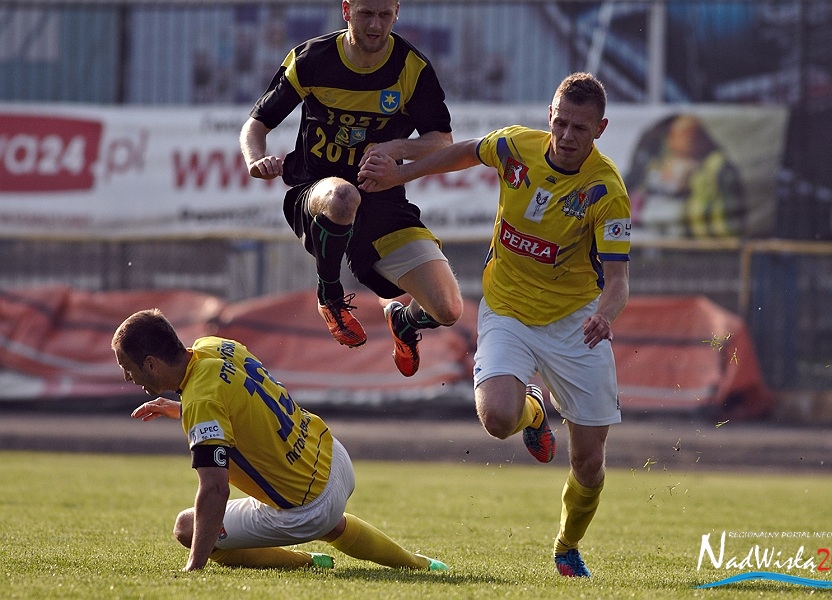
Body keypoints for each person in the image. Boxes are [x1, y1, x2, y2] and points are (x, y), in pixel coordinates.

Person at [359, 72, 631, 578]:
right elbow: (463, 152)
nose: (567, 136)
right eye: (561, 123)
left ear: (600, 129)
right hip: (507, 309)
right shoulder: (515, 146)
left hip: (575, 323)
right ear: (550, 116)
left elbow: (618, 281)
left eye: (580, 128)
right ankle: (533, 411)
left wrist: (605, 315)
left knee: (589, 463)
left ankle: (567, 546)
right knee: (498, 418)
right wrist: (401, 175)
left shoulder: (606, 191)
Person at [111, 308, 448, 573]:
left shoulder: (202, 401)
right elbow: (240, 400)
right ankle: (420, 564)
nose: (127, 377)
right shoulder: (213, 346)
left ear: (151, 364)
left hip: (309, 509)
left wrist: (194, 566)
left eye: (128, 367)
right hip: (334, 457)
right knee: (330, 521)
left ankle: (306, 562)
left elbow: (215, 490)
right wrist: (184, 409)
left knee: (187, 528)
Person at [239, 0, 463, 378]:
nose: (375, 25)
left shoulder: (412, 67)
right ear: (346, 10)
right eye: (366, 14)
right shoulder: (311, 59)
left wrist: (394, 148)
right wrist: (255, 160)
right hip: (317, 191)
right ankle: (330, 294)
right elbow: (256, 124)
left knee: (448, 309)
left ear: (397, 12)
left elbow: (442, 142)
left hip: (383, 201)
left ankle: (403, 321)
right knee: (343, 196)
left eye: (384, 15)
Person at [625, 113, 745, 238]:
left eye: (691, 135)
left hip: (698, 224)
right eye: (673, 135)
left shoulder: (715, 165)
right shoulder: (663, 159)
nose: (672, 140)